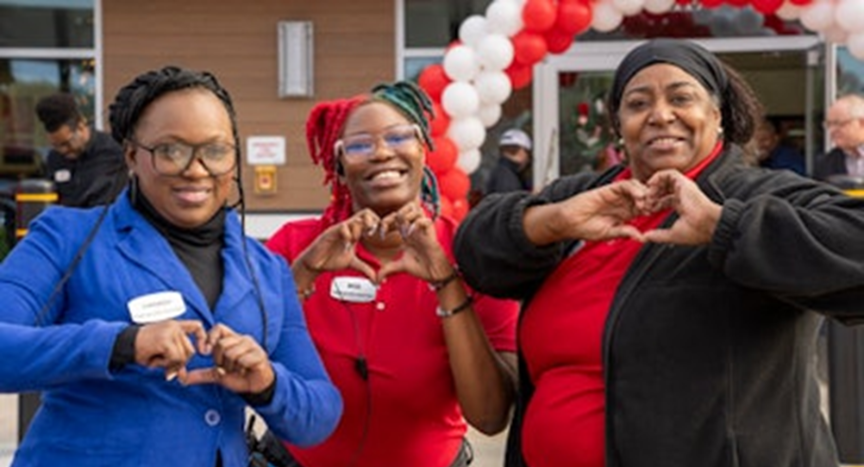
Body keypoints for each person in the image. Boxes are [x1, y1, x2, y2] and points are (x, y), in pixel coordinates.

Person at [453, 38, 864, 467]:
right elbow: (474, 249)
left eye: (681, 98)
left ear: (718, 116)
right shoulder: (586, 196)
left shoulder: (759, 195)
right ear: (619, 125)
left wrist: (724, 227)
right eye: (638, 103)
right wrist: (552, 222)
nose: (660, 115)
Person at [0, 66, 342, 466]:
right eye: (171, 151)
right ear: (132, 155)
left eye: (215, 151)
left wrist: (267, 384)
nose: (195, 169)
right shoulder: (68, 238)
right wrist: (121, 344)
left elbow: (319, 415)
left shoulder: (266, 269)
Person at [264, 81, 519, 467]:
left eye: (399, 137)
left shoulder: (473, 252)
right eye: (359, 145)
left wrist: (446, 283)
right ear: (339, 166)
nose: (382, 153)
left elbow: (490, 417)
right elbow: (241, 362)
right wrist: (303, 274)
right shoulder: (293, 245)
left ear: (423, 150)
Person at [35, 92, 128, 207]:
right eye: (56, 146)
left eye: (67, 143)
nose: (63, 151)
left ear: (81, 126)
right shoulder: (54, 159)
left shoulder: (112, 153)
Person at [814, 94, 864, 185]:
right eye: (829, 125)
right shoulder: (825, 163)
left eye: (838, 123)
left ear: (861, 123)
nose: (832, 130)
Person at [486, 128, 533, 194]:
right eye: (528, 153)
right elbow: (510, 199)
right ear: (521, 151)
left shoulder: (500, 172)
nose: (528, 159)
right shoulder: (507, 177)